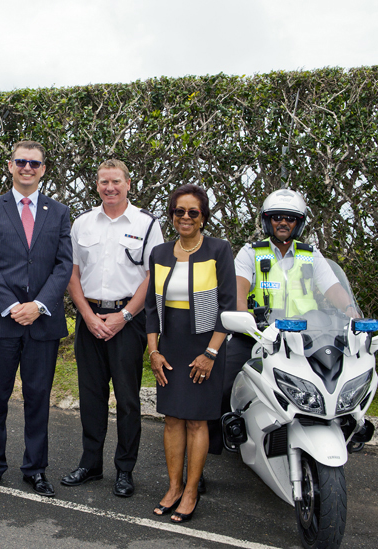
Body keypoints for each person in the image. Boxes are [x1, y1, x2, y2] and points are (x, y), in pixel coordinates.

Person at [211, 188, 354, 453]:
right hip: (258, 334)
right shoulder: (251, 253)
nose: (283, 222)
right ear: (267, 221)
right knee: (222, 382)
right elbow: (239, 290)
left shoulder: (310, 255)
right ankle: (218, 442)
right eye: (277, 217)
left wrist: (350, 309)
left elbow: (333, 288)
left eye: (290, 218)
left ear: (299, 223)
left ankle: (347, 431)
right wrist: (244, 317)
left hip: (306, 337)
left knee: (335, 380)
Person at [0, 140, 73, 498]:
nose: (27, 168)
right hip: (0, 321)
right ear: (10, 166)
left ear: (43, 169)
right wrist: (12, 305)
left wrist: (39, 305)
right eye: (21, 162)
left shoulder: (59, 212)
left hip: (42, 322)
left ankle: (35, 469)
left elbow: (63, 264)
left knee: (38, 398)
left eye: (34, 163)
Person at [63, 159, 163, 497]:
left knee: (127, 399)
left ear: (128, 184)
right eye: (104, 182)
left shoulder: (147, 224)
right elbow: (72, 273)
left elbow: (152, 276)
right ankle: (90, 464)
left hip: (128, 321)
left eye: (116, 181)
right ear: (97, 185)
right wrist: (88, 316)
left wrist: (125, 316)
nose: (110, 188)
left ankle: (125, 469)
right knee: (91, 397)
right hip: (89, 318)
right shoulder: (83, 223)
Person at [145, 184, 236, 522]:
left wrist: (210, 354)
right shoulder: (159, 253)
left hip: (206, 346)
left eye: (192, 212)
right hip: (170, 346)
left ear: (203, 217)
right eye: (179, 211)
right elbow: (151, 309)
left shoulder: (218, 250)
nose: (185, 217)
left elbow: (227, 307)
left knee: (197, 421)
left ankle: (191, 491)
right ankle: (173, 487)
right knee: (172, 419)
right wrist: (153, 351)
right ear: (171, 215)